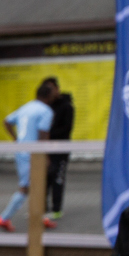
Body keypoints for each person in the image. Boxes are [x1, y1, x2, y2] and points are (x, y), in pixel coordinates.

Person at [0, 78, 59, 233]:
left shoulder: (26, 107)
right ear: (48, 95)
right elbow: (43, 134)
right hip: (33, 154)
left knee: (36, 184)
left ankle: (40, 217)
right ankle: (4, 218)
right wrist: (46, 156)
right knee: (25, 188)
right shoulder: (46, 111)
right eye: (55, 91)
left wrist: (16, 139)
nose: (57, 93)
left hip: (21, 151)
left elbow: (7, 121)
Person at [46, 87, 77, 216]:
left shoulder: (67, 107)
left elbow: (66, 128)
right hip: (46, 149)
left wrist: (48, 135)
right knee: (44, 179)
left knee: (58, 179)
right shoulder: (47, 106)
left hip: (60, 150)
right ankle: (41, 208)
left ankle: (56, 209)